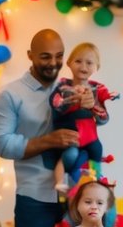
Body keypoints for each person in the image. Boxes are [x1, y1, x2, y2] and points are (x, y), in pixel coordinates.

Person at [0, 28, 97, 227]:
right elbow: (1, 143)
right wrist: (49, 140)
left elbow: (91, 127)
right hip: (35, 196)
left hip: (76, 195)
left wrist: (92, 106)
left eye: (59, 56)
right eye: (45, 57)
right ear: (30, 56)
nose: (53, 63)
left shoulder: (72, 87)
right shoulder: (11, 94)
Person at [42, 42, 118, 192]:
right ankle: (60, 182)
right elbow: (55, 103)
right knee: (70, 155)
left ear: (97, 67)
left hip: (89, 135)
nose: (83, 67)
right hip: (71, 134)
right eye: (78, 61)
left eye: (89, 63)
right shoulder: (62, 86)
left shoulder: (97, 88)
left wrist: (99, 102)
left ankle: (96, 179)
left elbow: (104, 117)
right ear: (69, 63)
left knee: (97, 150)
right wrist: (70, 98)